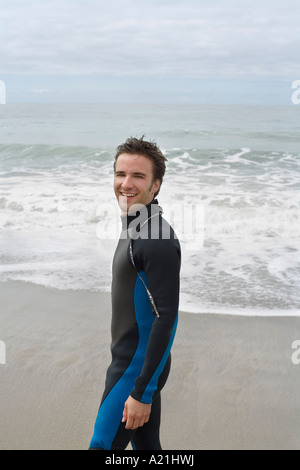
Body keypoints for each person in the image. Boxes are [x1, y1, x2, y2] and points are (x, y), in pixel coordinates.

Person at [89, 136, 181, 450]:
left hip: (135, 371)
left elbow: (167, 319)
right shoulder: (137, 224)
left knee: (101, 447)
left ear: (156, 185)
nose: (126, 184)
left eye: (138, 176)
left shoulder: (156, 238)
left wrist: (142, 391)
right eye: (120, 174)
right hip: (134, 365)